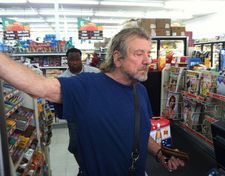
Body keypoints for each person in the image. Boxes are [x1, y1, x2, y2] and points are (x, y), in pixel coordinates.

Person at [0, 27, 184, 176]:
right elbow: (37, 85)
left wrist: (160, 152)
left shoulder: (141, 91)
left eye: (148, 53)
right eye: (139, 54)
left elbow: (140, 133)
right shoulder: (86, 86)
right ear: (118, 58)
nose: (147, 60)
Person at [57, 47, 100, 175]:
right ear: (67, 60)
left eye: (77, 59)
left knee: (96, 142)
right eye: (71, 60)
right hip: (74, 117)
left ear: (81, 59)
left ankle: (95, 167)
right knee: (76, 145)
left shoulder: (95, 73)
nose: (74, 62)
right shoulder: (62, 79)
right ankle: (83, 168)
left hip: (95, 115)